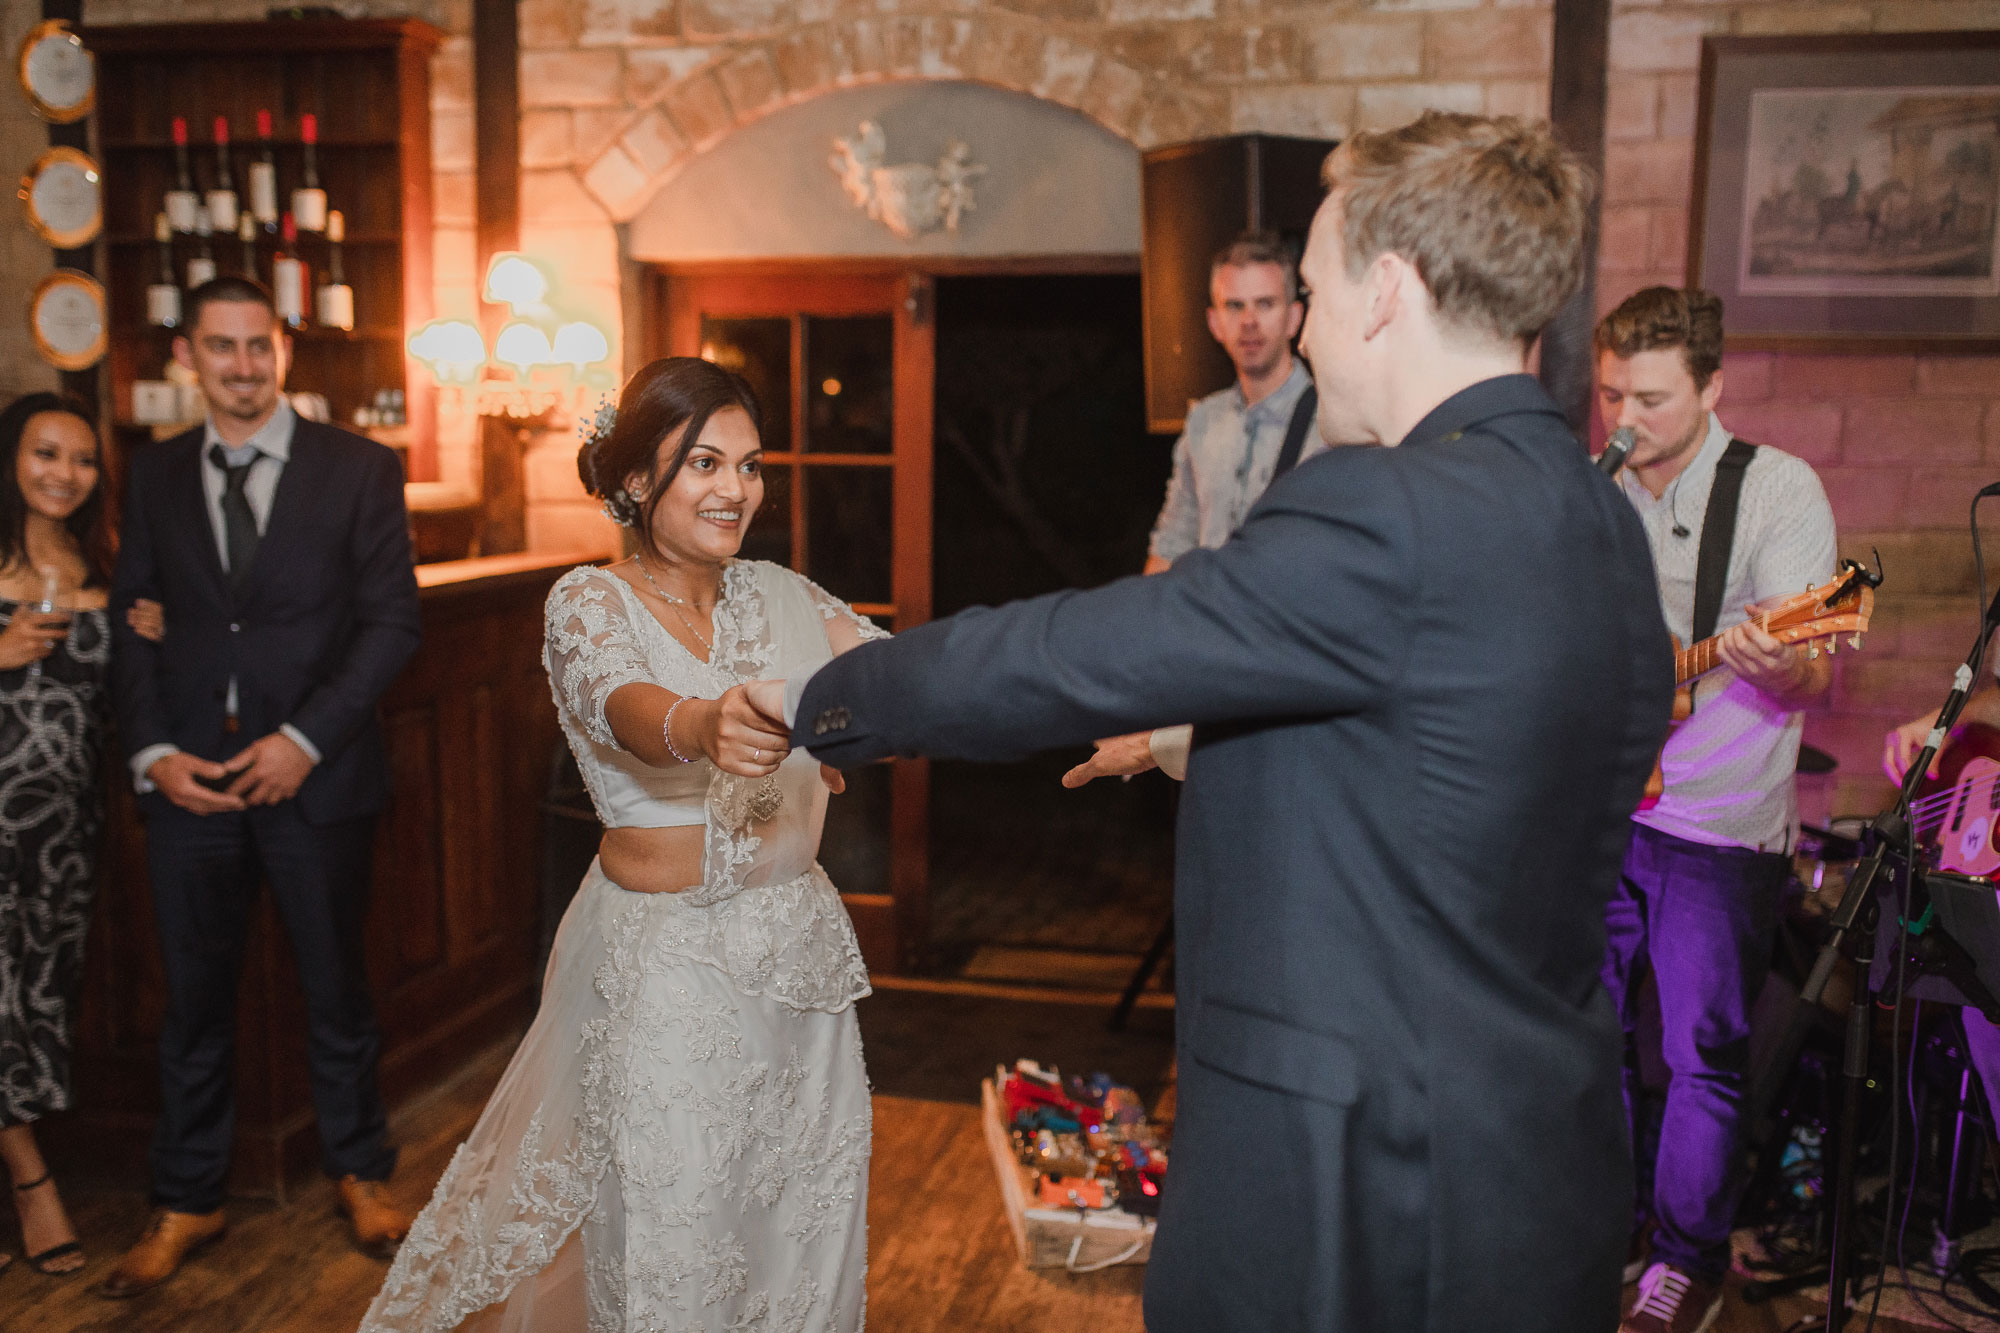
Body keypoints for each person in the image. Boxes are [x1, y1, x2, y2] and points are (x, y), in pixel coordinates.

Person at [752, 111, 1672, 1332]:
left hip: (1355, 1195)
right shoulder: (1593, 511)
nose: (1298, 322)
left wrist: (834, 689)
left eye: (1309, 287)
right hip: (1527, 1172)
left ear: (1386, 290)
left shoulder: (1390, 510)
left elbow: (1083, 652)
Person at [362, 357, 878, 1333]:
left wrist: (1112, 712)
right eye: (705, 463)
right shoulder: (587, 602)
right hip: (669, 975)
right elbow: (628, 711)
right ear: (638, 480)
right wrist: (705, 721)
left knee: (800, 1221)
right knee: (677, 1229)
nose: (736, 489)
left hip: (797, 964)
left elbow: (906, 673)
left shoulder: (780, 593)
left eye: (752, 465)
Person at [101, 276, 423, 1298]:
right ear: (187, 356)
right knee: (192, 1004)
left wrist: (302, 740)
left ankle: (363, 1174)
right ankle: (187, 1197)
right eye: (219, 347)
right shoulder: (150, 475)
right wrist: (153, 754)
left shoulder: (360, 469)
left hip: (315, 780)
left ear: (283, 352)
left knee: (337, 989)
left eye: (257, 346)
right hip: (188, 784)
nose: (241, 365)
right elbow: (131, 617)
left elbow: (392, 626)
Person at [1593, 286, 1836, 1333]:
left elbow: (1809, 679)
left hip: (1714, 825)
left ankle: (1684, 1264)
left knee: (1702, 1053)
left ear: (1708, 386)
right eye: (1609, 393)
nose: (1623, 421)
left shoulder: (1778, 491)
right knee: (1578, 1034)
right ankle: (1591, 1233)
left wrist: (1777, 663)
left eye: (1648, 398)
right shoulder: (1593, 484)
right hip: (1600, 805)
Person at [0, 392, 162, 1279]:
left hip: (67, 828)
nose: (64, 473)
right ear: (10, 460)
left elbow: (124, 699)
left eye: (81, 457)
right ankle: (33, 1184)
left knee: (38, 995)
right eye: (43, 453)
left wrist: (154, 636)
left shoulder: (107, 568)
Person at [1145, 230, 1327, 575]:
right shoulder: (1203, 421)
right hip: (1209, 623)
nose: (1249, 322)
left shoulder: (1332, 422)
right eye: (1235, 305)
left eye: (1265, 303)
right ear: (1214, 322)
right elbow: (1171, 544)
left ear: (1295, 318)